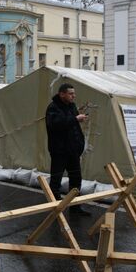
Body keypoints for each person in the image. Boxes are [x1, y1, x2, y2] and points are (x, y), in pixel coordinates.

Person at [45, 83, 90, 216]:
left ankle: (75, 207)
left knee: (76, 179)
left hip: (73, 151)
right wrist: (75, 119)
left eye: (74, 94)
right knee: (56, 179)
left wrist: (79, 145)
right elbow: (56, 124)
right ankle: (54, 207)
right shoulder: (53, 107)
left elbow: (73, 127)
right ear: (62, 94)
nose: (73, 96)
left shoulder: (72, 106)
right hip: (59, 151)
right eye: (71, 94)